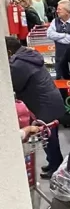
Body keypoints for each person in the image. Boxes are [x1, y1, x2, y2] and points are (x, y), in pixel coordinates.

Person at [7, 36, 65, 178]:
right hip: (50, 99)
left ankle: (55, 168)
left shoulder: (19, 64)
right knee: (49, 135)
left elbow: (13, 85)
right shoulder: (29, 55)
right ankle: (53, 162)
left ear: (8, 51)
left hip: (44, 103)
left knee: (48, 136)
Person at [46, 0, 70, 76]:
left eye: (59, 9)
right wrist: (64, 35)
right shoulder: (54, 21)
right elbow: (49, 34)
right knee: (60, 80)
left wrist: (57, 37)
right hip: (59, 58)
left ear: (67, 11)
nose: (57, 11)